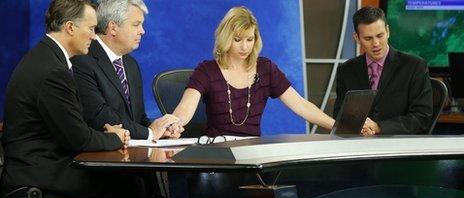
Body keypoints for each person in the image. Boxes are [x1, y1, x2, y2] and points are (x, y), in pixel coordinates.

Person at [0, 0, 154, 198]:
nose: (95, 36)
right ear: (70, 27)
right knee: (129, 187)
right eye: (92, 28)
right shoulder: (52, 71)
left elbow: (73, 129)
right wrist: (114, 137)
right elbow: (79, 139)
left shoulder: (46, 58)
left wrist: (104, 135)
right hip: (35, 173)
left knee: (131, 183)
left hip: (38, 165)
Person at [171, 6, 334, 137]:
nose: (245, 47)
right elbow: (185, 108)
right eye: (237, 40)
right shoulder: (206, 70)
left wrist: (337, 126)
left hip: (253, 153)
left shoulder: (266, 69)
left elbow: (301, 105)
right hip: (217, 153)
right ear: (225, 38)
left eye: (250, 39)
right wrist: (175, 123)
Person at [71, 0, 181, 140]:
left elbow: (137, 118)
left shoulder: (131, 64)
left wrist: (162, 130)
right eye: (136, 24)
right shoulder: (82, 59)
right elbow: (97, 115)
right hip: (98, 154)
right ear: (113, 28)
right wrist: (150, 133)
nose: (142, 31)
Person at [334, 6, 432, 135]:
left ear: (388, 31)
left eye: (380, 36)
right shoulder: (346, 70)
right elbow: (340, 116)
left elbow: (422, 119)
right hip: (359, 145)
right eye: (368, 38)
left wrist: (378, 127)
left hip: (399, 145)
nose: (376, 44)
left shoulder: (415, 66)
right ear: (357, 38)